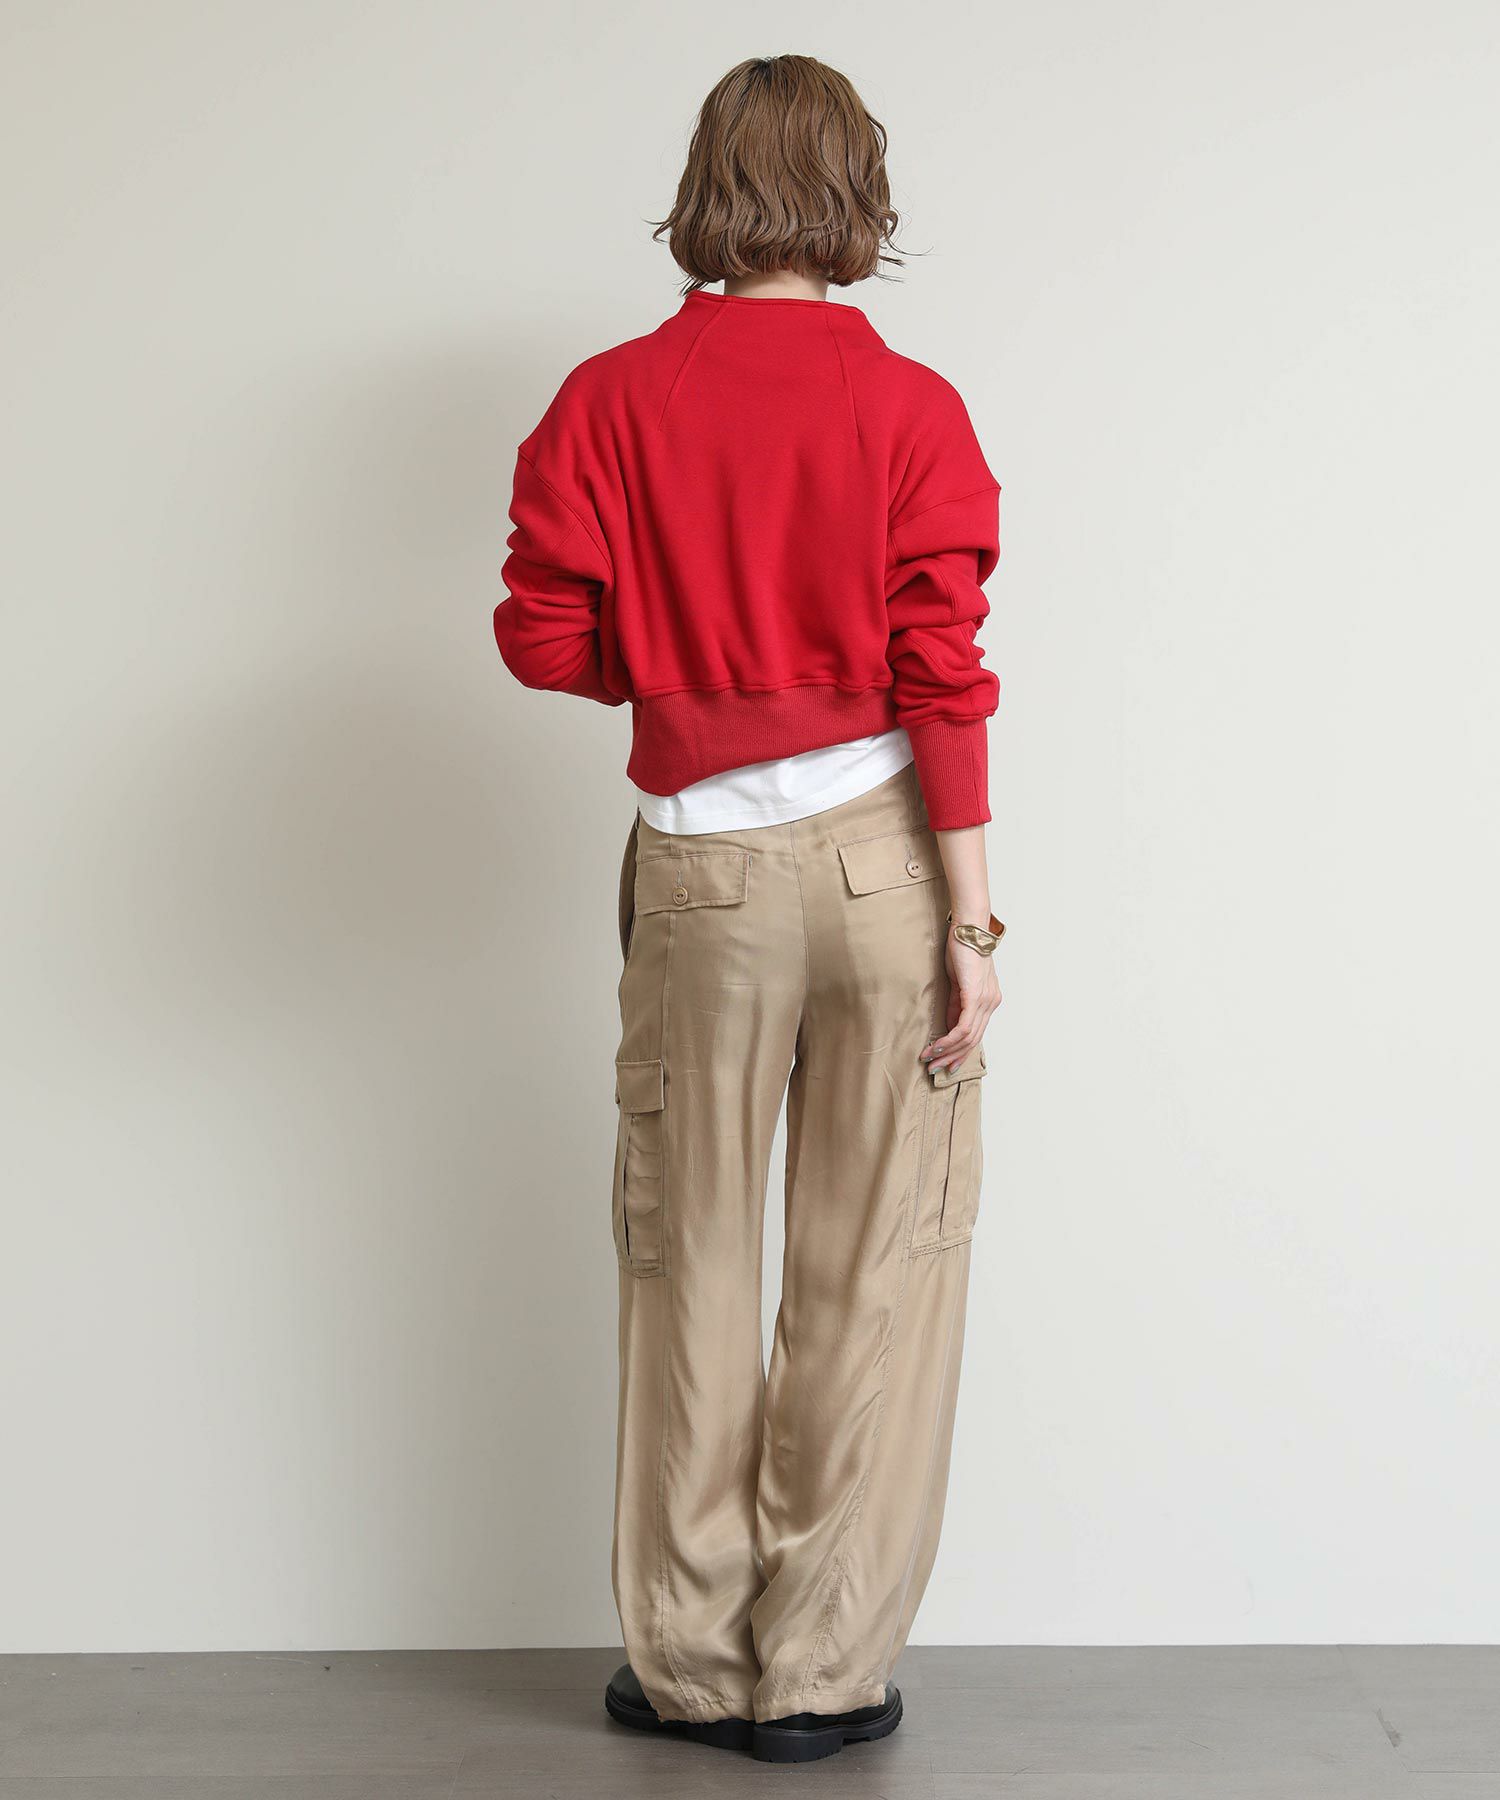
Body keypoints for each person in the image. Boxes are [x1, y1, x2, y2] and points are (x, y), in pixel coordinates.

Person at [493, 53, 1004, 1765]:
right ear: (857, 193)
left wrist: (687, 666)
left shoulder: (608, 399)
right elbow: (942, 673)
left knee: (689, 1258)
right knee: (877, 1265)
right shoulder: (913, 406)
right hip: (882, 864)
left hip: (701, 873)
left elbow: (543, 637)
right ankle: (824, 1672)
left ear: (708, 186)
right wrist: (973, 926)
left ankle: (694, 1670)